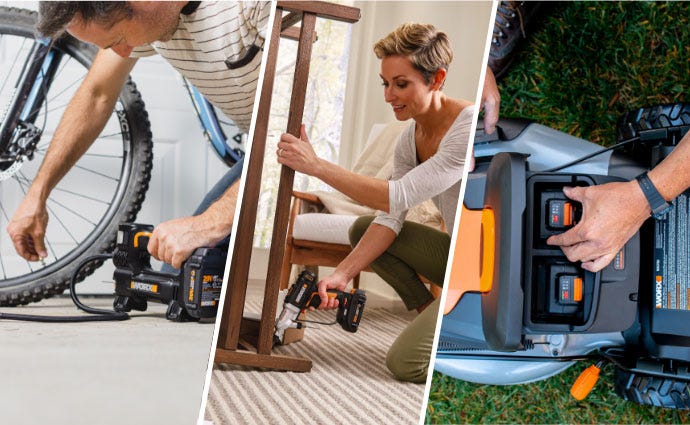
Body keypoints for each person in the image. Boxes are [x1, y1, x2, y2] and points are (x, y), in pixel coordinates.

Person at [6, 1, 270, 269]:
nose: (124, 51)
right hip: (264, 154)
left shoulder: (252, 6)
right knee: (183, 277)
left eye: (118, 39)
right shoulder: (144, 18)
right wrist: (36, 195)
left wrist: (209, 223)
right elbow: (97, 95)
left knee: (196, 277)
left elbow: (305, 132)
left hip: (294, 157)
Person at [278, 23, 473, 382]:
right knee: (362, 227)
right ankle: (429, 311)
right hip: (457, 253)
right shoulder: (408, 140)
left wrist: (316, 166)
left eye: (401, 84)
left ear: (437, 78)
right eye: (385, 83)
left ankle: (471, 331)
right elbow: (390, 216)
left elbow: (397, 195)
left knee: (406, 364)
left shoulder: (466, 127)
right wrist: (341, 275)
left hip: (484, 265)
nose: (389, 95)